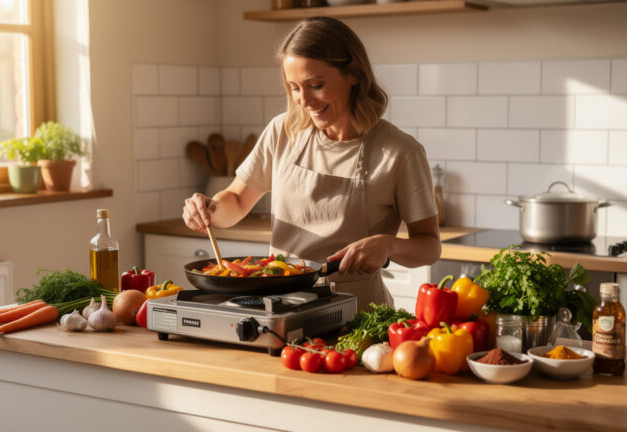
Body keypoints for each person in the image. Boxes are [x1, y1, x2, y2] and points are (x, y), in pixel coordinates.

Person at [182, 16, 441, 309]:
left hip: (357, 315)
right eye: (294, 87)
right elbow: (238, 201)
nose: (303, 100)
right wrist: (210, 209)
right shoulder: (284, 131)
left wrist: (388, 244)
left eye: (315, 85)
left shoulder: (399, 152)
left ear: (353, 73)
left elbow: (429, 246)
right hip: (280, 310)